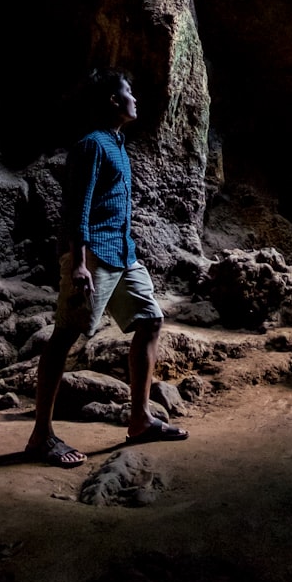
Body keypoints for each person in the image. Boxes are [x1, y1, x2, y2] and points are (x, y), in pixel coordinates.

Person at [25, 68, 188, 467]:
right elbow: (76, 209)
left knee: (150, 321)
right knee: (64, 336)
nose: (136, 98)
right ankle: (41, 436)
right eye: (129, 92)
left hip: (123, 253)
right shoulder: (92, 145)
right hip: (93, 255)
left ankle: (140, 418)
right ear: (113, 101)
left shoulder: (117, 144)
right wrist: (78, 265)